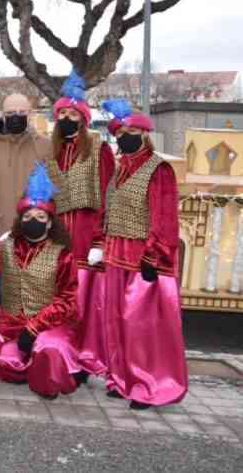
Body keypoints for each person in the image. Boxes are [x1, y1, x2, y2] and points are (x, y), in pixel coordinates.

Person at [96, 99, 187, 409]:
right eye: (121, 131)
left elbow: (165, 218)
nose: (125, 135)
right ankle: (121, 378)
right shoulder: (120, 169)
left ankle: (147, 384)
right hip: (115, 254)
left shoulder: (159, 169)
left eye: (132, 131)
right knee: (116, 321)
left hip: (144, 259)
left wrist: (155, 255)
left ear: (145, 135)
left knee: (142, 326)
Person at [0, 163, 82, 399]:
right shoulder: (5, 247)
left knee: (48, 351)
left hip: (50, 326)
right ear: (21, 220)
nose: (34, 220)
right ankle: (31, 364)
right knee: (5, 362)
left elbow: (67, 300)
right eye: (28, 216)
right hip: (11, 325)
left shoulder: (62, 254)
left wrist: (34, 328)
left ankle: (52, 364)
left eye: (40, 217)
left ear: (49, 222)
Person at [47, 71, 114, 384]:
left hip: (87, 236)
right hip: (56, 237)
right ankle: (56, 356)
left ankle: (83, 361)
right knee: (56, 300)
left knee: (84, 305)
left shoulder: (99, 148)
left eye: (74, 114)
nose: (68, 119)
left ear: (84, 118)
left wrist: (101, 240)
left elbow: (108, 195)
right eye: (62, 114)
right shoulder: (50, 151)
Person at [0, 93, 51, 243]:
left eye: (21, 112)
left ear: (30, 114)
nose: (16, 117)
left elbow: (55, 187)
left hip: (34, 228)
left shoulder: (45, 146)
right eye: (10, 113)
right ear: (3, 115)